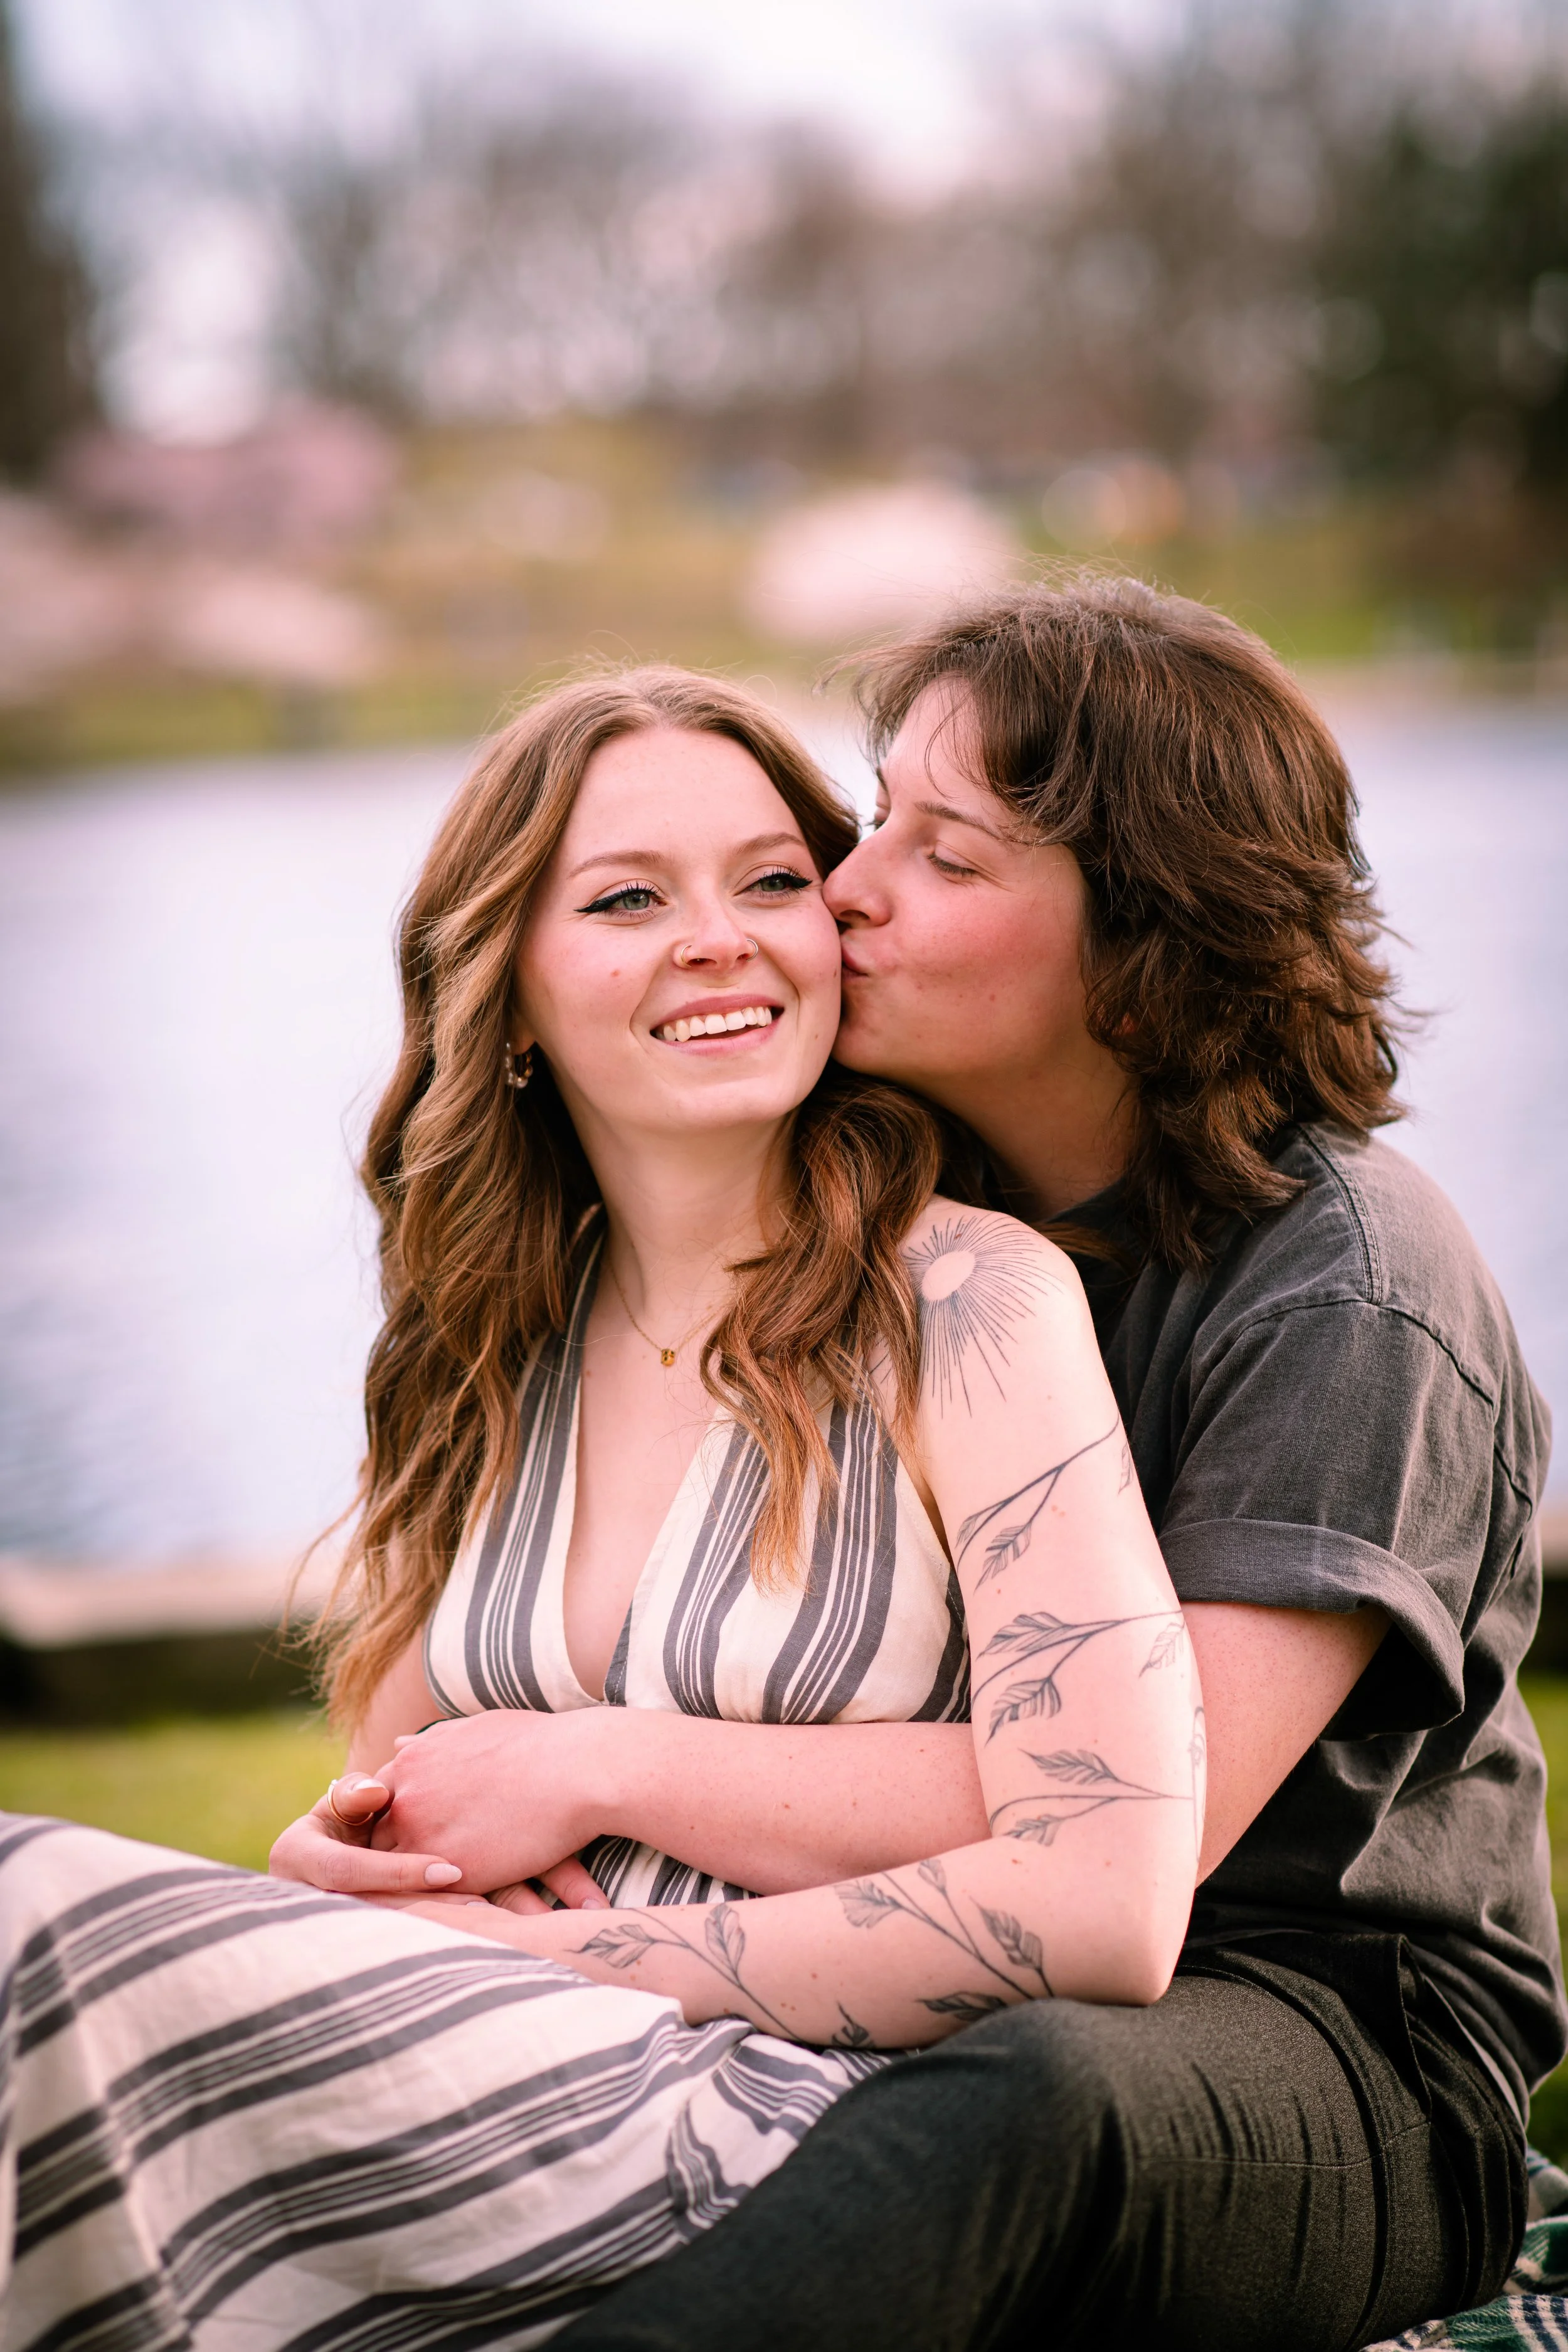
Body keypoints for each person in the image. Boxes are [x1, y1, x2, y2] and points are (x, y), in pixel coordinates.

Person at [0, 666, 1199, 2344]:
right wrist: (318, 1867)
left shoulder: (969, 1303)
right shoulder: (490, 1340)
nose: (717, 936)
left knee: (30, 1922)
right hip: (477, 2067)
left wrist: (570, 1898)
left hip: (794, 2123)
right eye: (629, 898)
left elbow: (1112, 1894)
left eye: (770, 879)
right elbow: (400, 1799)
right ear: (510, 984)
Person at [538, 580, 1563, 2352]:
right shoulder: (917, 1223)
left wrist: (593, 1771)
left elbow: (1117, 1823)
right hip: (944, 1960)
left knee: (1039, 2094)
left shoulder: (1348, 1286)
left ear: (1144, 938)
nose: (844, 888)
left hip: (1329, 2041)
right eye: (874, 816)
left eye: (944, 855)